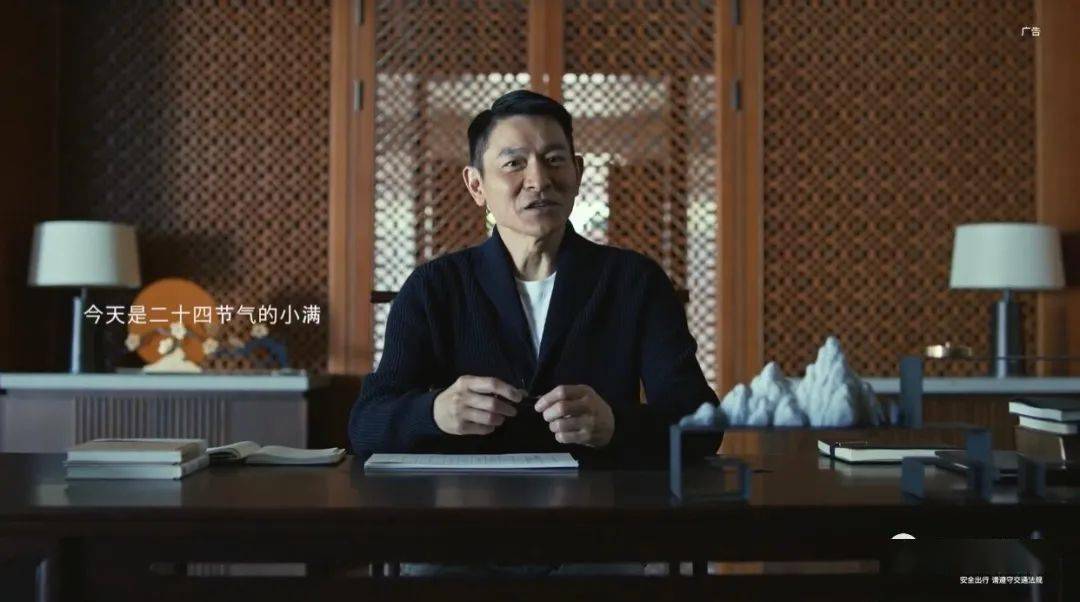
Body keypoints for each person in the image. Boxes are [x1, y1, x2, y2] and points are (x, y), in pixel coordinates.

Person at [348, 90, 719, 468]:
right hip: (470, 499)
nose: (539, 180)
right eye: (514, 163)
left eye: (555, 160)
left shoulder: (635, 282)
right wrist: (434, 413)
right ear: (476, 185)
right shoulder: (434, 287)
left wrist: (616, 425)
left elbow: (703, 424)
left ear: (578, 172)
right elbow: (365, 426)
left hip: (598, 499)